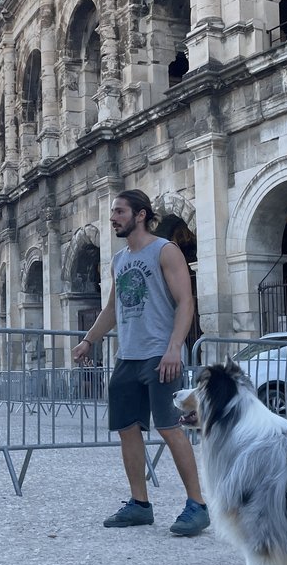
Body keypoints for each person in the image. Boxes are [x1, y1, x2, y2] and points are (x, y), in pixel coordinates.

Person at [71, 189, 211, 537]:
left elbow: (185, 302)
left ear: (141, 215)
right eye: (112, 213)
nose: (113, 218)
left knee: (169, 427)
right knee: (127, 428)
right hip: (127, 357)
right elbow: (112, 310)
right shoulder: (119, 260)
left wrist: (174, 348)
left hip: (159, 355)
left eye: (119, 211)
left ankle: (197, 505)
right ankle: (140, 504)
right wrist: (89, 340)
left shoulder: (165, 250)